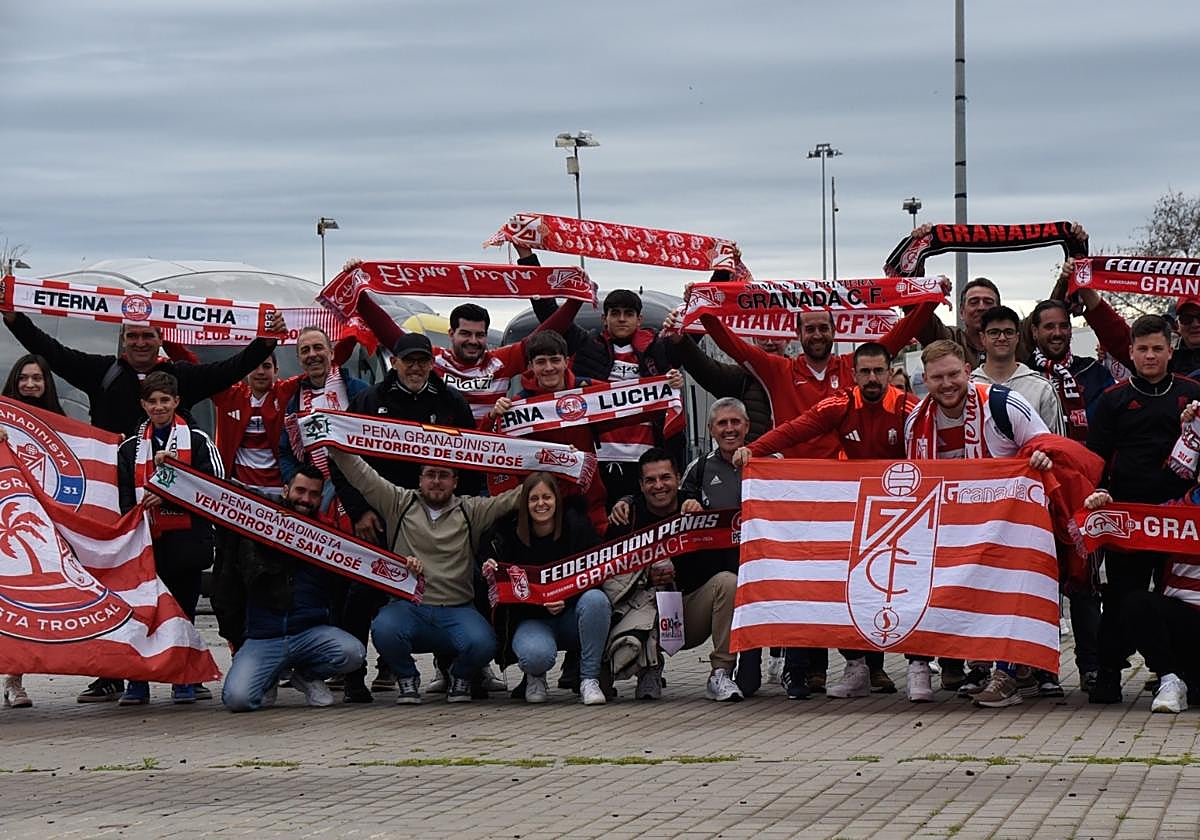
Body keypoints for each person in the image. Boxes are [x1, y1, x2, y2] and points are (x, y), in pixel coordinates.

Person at [733, 343, 932, 700]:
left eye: (879, 371)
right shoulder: (841, 403)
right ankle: (855, 666)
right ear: (853, 375)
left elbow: (933, 453)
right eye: (865, 372)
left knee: (909, 587)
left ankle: (919, 667)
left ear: (890, 372)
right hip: (857, 510)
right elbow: (796, 428)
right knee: (850, 586)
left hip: (906, 508)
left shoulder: (909, 407)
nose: (872, 379)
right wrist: (756, 449)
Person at [326, 330, 481, 702]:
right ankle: (353, 676)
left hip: (438, 517)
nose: (415, 367)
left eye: (422, 360)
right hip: (383, 514)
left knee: (454, 585)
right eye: (407, 360)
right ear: (393, 362)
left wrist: (462, 514)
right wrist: (360, 510)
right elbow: (339, 458)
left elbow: (474, 461)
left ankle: (456, 670)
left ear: (432, 363)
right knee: (363, 593)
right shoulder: (369, 399)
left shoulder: (450, 402)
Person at [904, 340, 1057, 708]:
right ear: (926, 379)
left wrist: (1039, 455)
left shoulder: (1004, 404)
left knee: (1005, 591)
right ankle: (990, 669)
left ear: (968, 371)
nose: (947, 384)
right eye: (938, 377)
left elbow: (1049, 446)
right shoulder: (915, 422)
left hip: (1009, 524)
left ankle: (1006, 675)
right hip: (954, 529)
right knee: (966, 596)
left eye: (954, 374)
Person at [325, 447, 520, 704]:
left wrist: (555, 465)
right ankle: (407, 676)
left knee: (484, 643)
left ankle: (460, 676)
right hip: (409, 610)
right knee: (383, 629)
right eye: (430, 474)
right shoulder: (399, 502)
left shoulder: (471, 510)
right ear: (420, 479)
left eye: (443, 475)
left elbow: (513, 498)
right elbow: (362, 475)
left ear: (455, 481)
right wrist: (333, 445)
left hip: (456, 610)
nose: (436, 481)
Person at [1085, 315, 1200, 704]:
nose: (1150, 356)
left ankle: (1175, 669)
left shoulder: (1193, 393)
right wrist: (1099, 492)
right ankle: (1108, 672)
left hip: (1182, 519)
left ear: (1171, 351)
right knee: (1121, 595)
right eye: (1142, 349)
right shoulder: (1113, 399)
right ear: (1130, 352)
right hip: (1130, 517)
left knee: (1177, 596)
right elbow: (1096, 459)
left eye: (1157, 349)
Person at [219, 465, 377, 712]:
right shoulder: (258, 521)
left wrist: (405, 567)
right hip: (264, 636)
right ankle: (268, 677)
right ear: (285, 490)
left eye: (314, 494)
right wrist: (174, 468)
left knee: (353, 653)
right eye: (300, 491)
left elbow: (363, 565)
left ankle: (307, 676)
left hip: (309, 634)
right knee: (238, 700)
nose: (306, 499)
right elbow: (219, 494)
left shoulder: (329, 536)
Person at [116, 372, 223, 705]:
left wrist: (171, 492)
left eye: (165, 400)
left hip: (186, 542)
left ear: (177, 402)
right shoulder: (130, 448)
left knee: (182, 612)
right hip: (144, 543)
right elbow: (120, 497)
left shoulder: (199, 440)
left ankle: (183, 678)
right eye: (152, 401)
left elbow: (214, 488)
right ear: (143, 405)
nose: (159, 406)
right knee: (142, 612)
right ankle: (137, 680)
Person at [1, 310, 282, 437]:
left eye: (147, 336)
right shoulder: (101, 371)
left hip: (167, 482)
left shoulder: (182, 376)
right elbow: (52, 352)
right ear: (123, 339)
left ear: (161, 339)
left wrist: (265, 343)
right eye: (133, 336)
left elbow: (230, 370)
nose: (140, 343)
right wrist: (15, 320)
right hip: (113, 481)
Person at [603, 447, 741, 702]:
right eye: (651, 480)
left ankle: (721, 673)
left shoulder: (696, 507)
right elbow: (608, 575)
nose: (659, 486)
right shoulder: (627, 515)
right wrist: (644, 576)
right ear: (641, 485)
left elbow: (721, 563)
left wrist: (698, 528)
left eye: (665, 478)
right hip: (644, 610)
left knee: (728, 582)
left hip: (688, 612)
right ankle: (649, 668)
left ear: (678, 478)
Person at [1027, 295, 1115, 694]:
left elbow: (1111, 426)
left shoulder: (1095, 374)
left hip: (1086, 489)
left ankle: (1091, 667)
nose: (1058, 333)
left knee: (1085, 582)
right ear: (1035, 332)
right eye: (1049, 327)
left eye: (1063, 325)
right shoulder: (1024, 376)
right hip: (1038, 492)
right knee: (1044, 580)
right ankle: (1044, 670)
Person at [532, 281, 684, 504]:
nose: (622, 319)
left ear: (638, 320)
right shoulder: (587, 346)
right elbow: (550, 315)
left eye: (628, 313)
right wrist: (527, 258)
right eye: (615, 313)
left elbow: (693, 332)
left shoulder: (656, 349)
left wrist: (722, 272)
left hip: (646, 461)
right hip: (596, 457)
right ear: (605, 319)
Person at [480, 472, 610, 706]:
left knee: (596, 600)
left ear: (557, 500)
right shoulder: (508, 532)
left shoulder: (577, 525)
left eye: (547, 497)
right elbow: (488, 556)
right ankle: (535, 677)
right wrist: (490, 563)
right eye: (534, 499)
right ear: (524, 503)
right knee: (535, 656)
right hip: (531, 618)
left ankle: (589, 678)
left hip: (571, 614)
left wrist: (568, 598)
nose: (541, 504)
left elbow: (597, 570)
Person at [485, 330, 608, 535]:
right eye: (541, 362)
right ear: (530, 366)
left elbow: (632, 399)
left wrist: (668, 385)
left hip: (589, 502)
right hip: (540, 509)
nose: (549, 368)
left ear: (567, 361)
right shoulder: (516, 406)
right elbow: (491, 449)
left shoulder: (587, 391)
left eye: (555, 360)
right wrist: (492, 417)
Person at [0, 354, 66, 708]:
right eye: (24, 378)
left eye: (37, 378)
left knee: (29, 603)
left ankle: (14, 679)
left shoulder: (60, 423)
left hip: (39, 526)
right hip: (5, 521)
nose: (29, 384)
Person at [971, 305, 1065, 433]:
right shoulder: (968, 386)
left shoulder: (1042, 388)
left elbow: (1058, 444)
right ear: (982, 338)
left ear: (1017, 337)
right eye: (994, 332)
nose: (1002, 338)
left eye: (1008, 332)